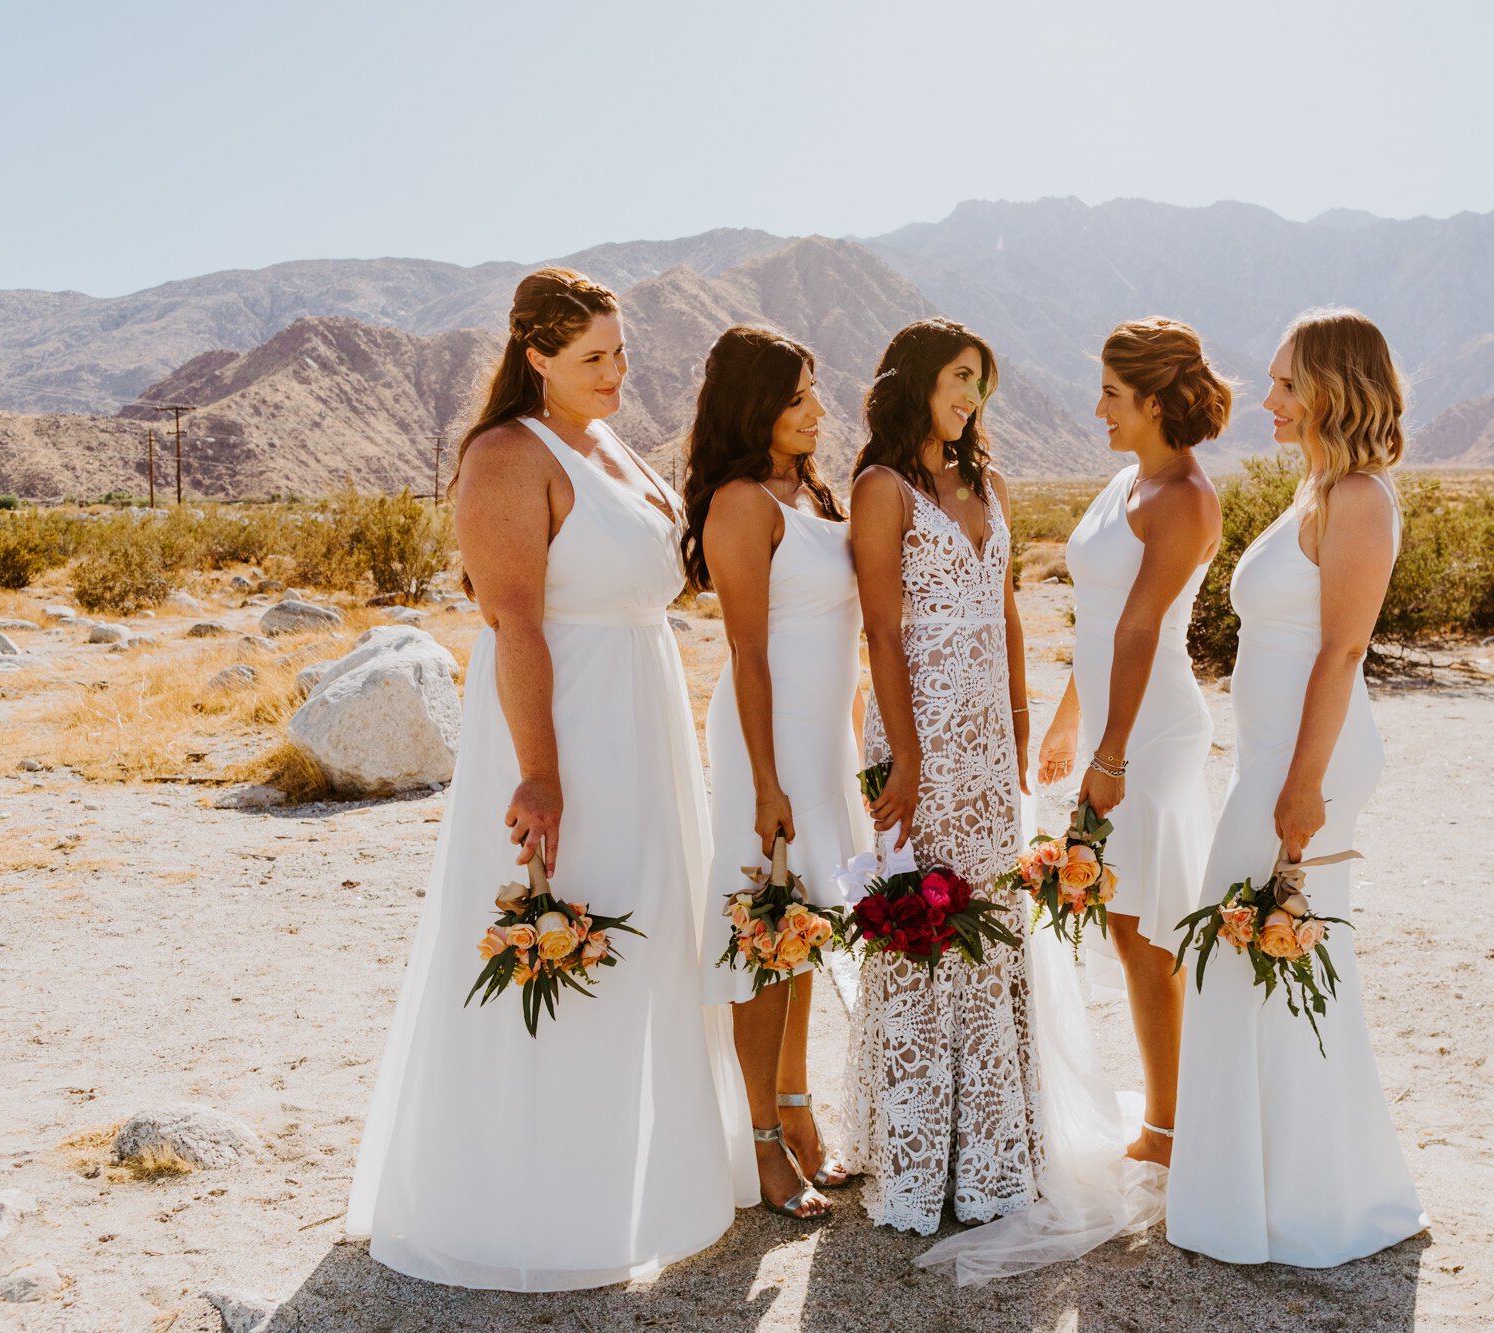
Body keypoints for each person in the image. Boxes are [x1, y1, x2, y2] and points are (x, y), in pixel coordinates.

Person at [346, 269, 747, 1289]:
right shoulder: (503, 456)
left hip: (641, 719)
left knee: (646, 936)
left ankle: (633, 1177)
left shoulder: (608, 443)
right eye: (593, 359)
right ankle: (527, 1207)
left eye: (620, 352)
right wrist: (538, 775)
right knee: (567, 930)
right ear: (535, 357)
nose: (618, 372)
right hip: (560, 725)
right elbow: (512, 618)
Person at [1167, 307, 1427, 1267]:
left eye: (1284, 383)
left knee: (1270, 954)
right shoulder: (1315, 491)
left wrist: (1302, 786)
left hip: (1302, 764)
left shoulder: (1360, 497)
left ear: (1330, 389)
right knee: (1251, 957)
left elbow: (1342, 648)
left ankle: (1308, 1201)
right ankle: (1259, 1188)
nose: (1267, 399)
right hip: (1271, 758)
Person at [842, 318, 1042, 1234]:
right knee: (924, 919)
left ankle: (994, 1155)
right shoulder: (881, 487)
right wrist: (908, 756)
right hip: (918, 727)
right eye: (960, 378)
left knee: (990, 922)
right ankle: (920, 1157)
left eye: (981, 385)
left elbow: (1006, 617)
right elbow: (881, 629)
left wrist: (1020, 719)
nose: (970, 399)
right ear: (919, 380)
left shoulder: (989, 482)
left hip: (990, 746)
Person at [680, 325, 868, 1221]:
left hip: (823, 742)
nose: (817, 411)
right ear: (754, 406)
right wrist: (765, 780)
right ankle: (759, 1141)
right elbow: (748, 653)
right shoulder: (741, 502)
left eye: (814, 393)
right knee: (764, 934)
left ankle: (795, 1109)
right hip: (770, 742)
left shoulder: (812, 494)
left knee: (805, 928)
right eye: (796, 398)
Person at [1036, 317, 1227, 1167]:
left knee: (1145, 925)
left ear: (1153, 400)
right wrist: (1070, 716)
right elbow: (1103, 623)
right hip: (1113, 716)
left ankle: (1169, 1128)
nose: (1099, 409)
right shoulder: (1126, 484)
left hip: (1153, 727)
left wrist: (1110, 754)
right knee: (1122, 917)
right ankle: (1168, 1115)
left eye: (1112, 394)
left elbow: (1144, 629)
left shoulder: (1185, 497)